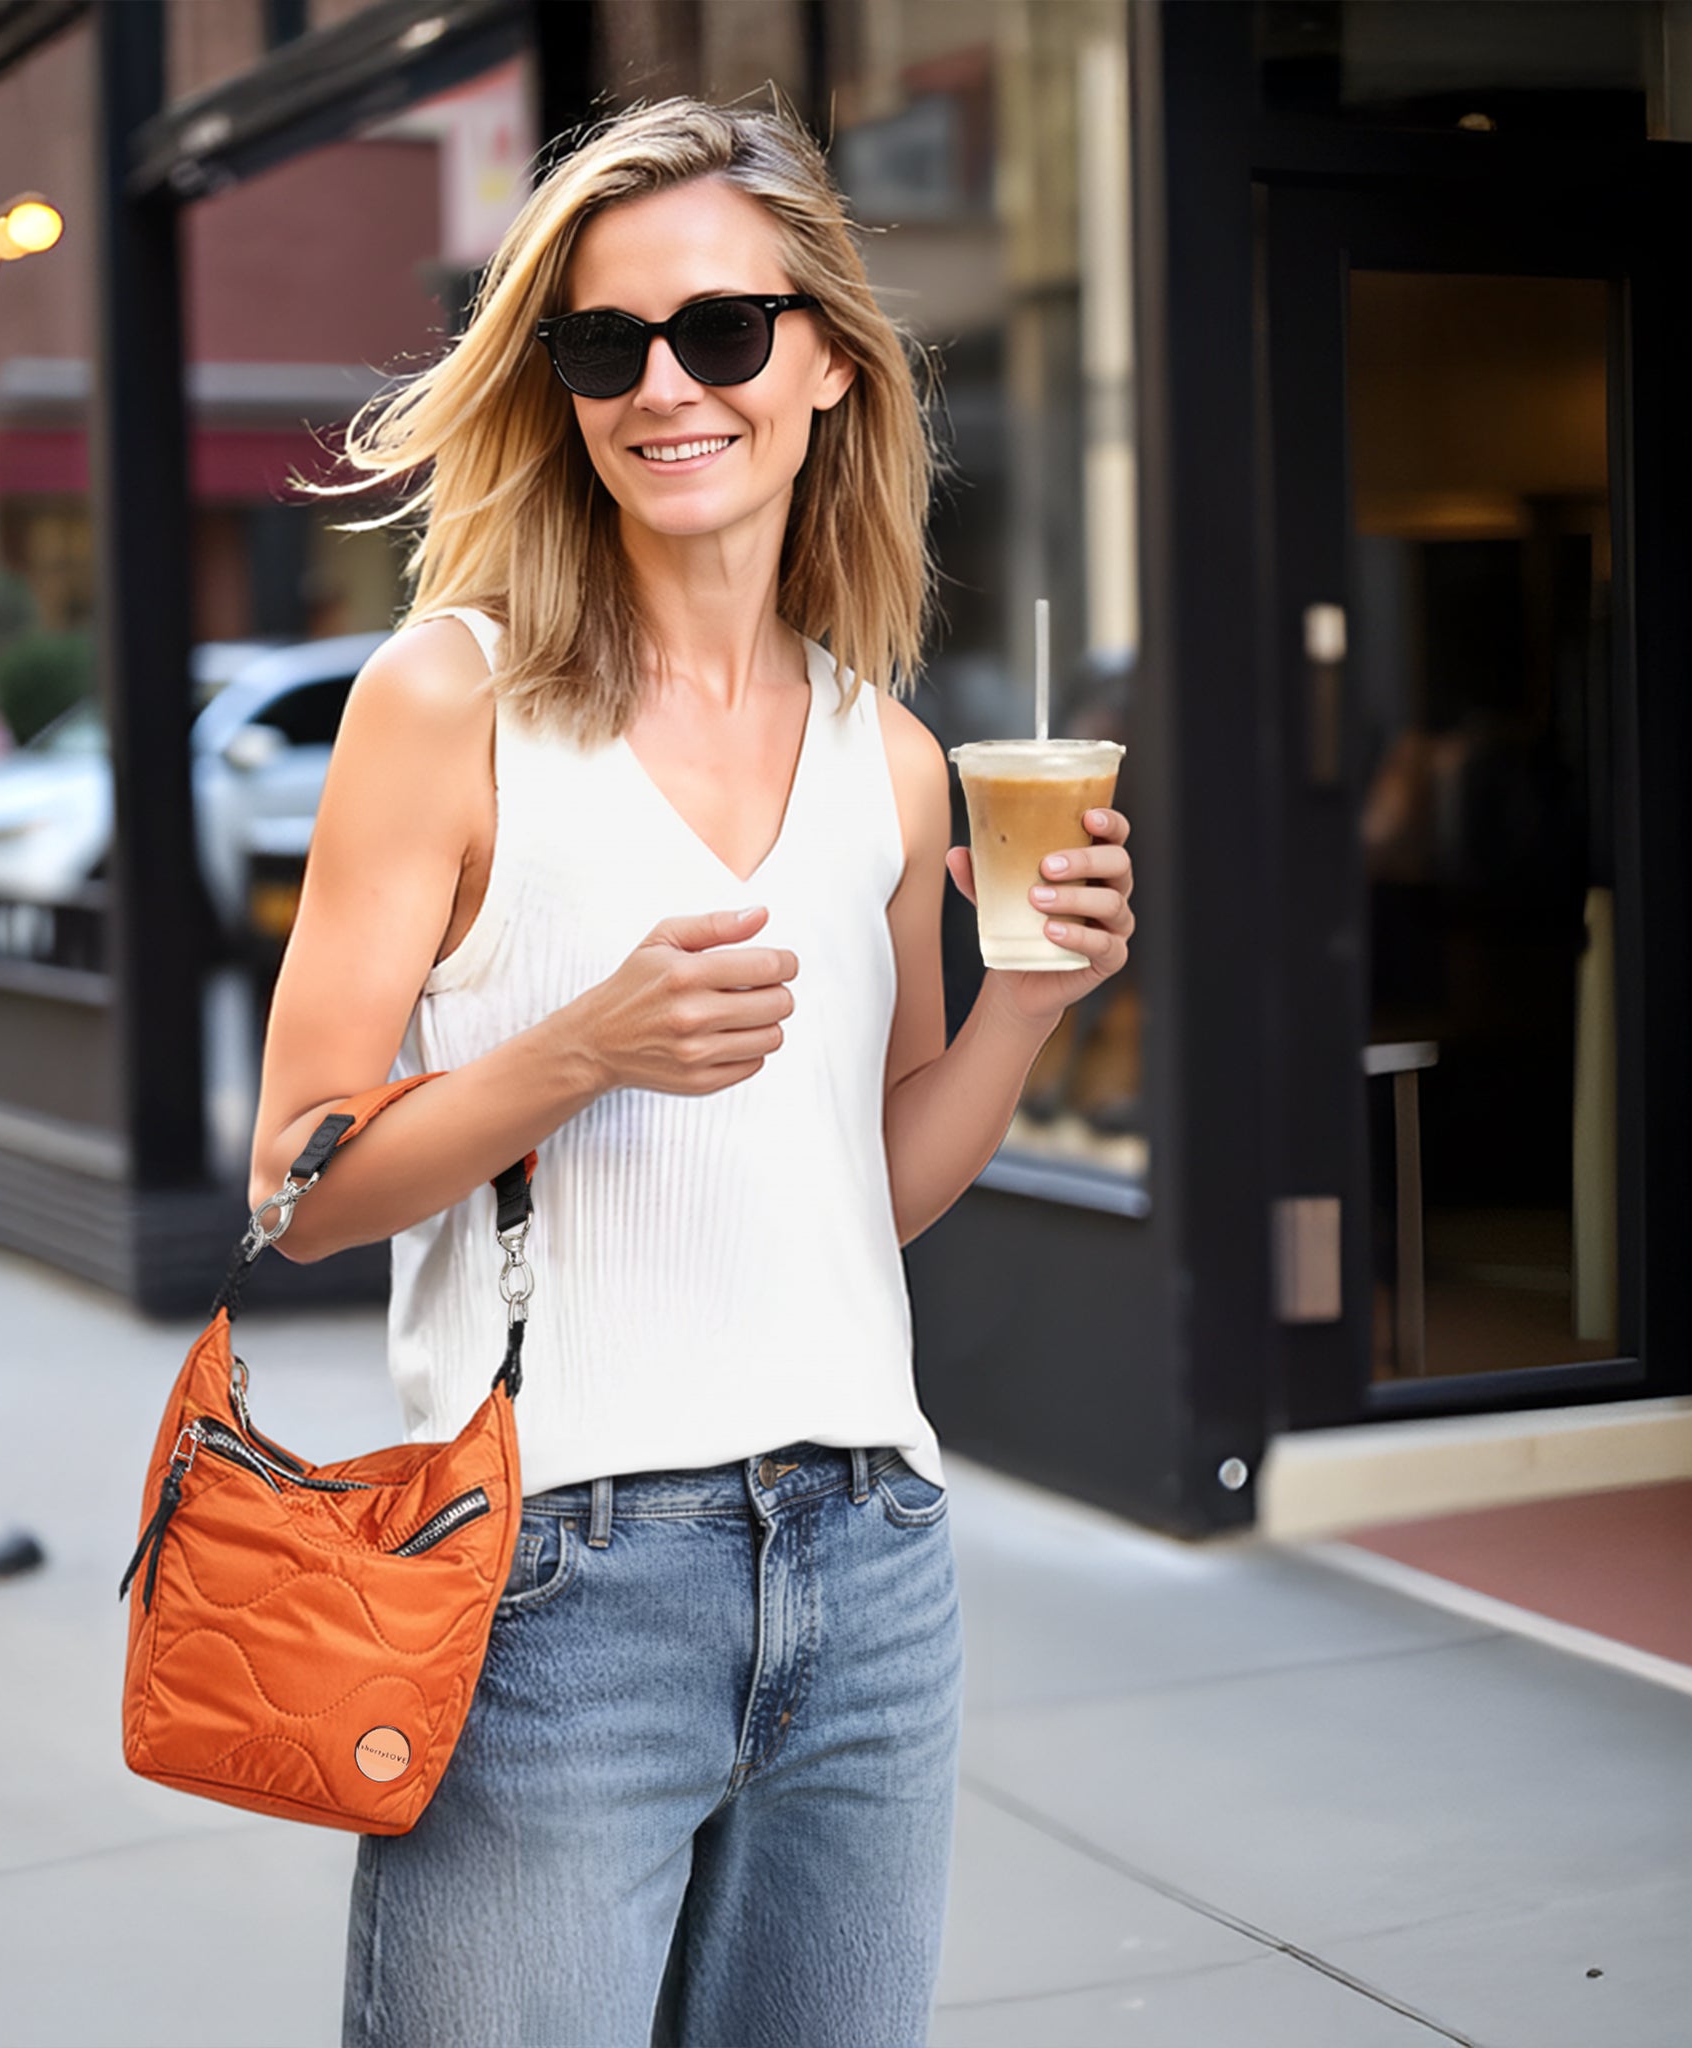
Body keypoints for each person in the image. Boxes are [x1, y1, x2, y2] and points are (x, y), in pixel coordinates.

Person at [252, 97, 1136, 2048]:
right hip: (554, 1581)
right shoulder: (448, 701)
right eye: (605, 344)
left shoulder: (890, 757)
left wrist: (1028, 1004)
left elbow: (875, 1191)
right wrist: (583, 1049)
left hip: (870, 1570)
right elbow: (298, 1183)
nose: (666, 387)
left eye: (721, 331)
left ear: (826, 363)